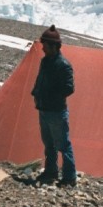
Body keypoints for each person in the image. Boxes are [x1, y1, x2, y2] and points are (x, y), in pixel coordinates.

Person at [31, 25, 76, 186]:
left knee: (63, 144)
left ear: (53, 46)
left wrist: (48, 95)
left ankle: (69, 177)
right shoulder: (46, 61)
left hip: (56, 111)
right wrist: (36, 93)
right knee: (49, 144)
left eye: (45, 45)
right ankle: (51, 172)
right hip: (45, 109)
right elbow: (40, 80)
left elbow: (69, 88)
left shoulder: (63, 65)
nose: (42, 48)